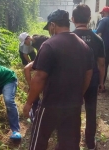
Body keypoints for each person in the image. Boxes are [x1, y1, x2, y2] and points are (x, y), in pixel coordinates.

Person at [23, 9, 93, 150]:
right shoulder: (84, 46)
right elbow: (88, 75)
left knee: (39, 141)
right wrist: (79, 94)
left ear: (53, 25)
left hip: (51, 104)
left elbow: (39, 78)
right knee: (69, 144)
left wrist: (29, 102)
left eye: (49, 27)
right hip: (74, 105)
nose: (49, 30)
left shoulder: (49, 45)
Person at [72, 4, 105, 150]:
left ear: (72, 19)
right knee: (91, 111)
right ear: (90, 18)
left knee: (73, 111)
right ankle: (90, 143)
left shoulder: (68, 39)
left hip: (73, 82)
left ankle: (73, 141)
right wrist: (101, 82)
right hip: (92, 82)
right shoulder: (98, 40)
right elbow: (102, 64)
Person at [24, 35, 49, 121]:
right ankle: (31, 87)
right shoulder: (34, 43)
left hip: (48, 60)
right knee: (27, 68)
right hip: (44, 59)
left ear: (28, 38)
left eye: (25, 42)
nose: (26, 44)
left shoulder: (40, 40)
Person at [96, 6, 109, 84]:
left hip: (105, 47)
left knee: (103, 65)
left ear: (104, 13)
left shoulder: (103, 21)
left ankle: (101, 85)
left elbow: (99, 34)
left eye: (102, 13)